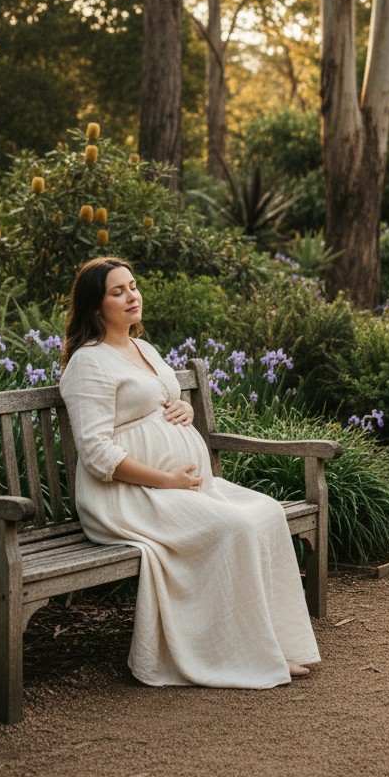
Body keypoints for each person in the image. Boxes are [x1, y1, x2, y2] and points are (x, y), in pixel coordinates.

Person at [58, 256, 321, 688]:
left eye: (134, 286)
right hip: (126, 496)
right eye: (117, 291)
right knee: (234, 526)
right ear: (94, 306)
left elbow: (161, 401)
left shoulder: (144, 349)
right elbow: (96, 453)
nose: (132, 296)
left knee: (267, 512)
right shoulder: (88, 363)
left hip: (183, 487)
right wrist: (167, 480)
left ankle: (274, 643)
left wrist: (184, 406)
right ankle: (241, 654)